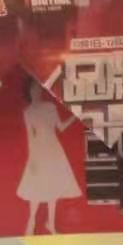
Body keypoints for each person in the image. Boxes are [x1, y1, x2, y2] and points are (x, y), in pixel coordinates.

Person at [17, 79, 80, 235]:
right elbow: (30, 137)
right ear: (29, 92)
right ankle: (32, 220)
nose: (37, 92)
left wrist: (75, 116)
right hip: (39, 150)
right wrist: (32, 159)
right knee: (37, 186)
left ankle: (50, 224)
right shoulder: (28, 112)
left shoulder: (50, 107)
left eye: (39, 89)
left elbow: (61, 127)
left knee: (53, 186)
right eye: (34, 89)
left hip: (54, 149)